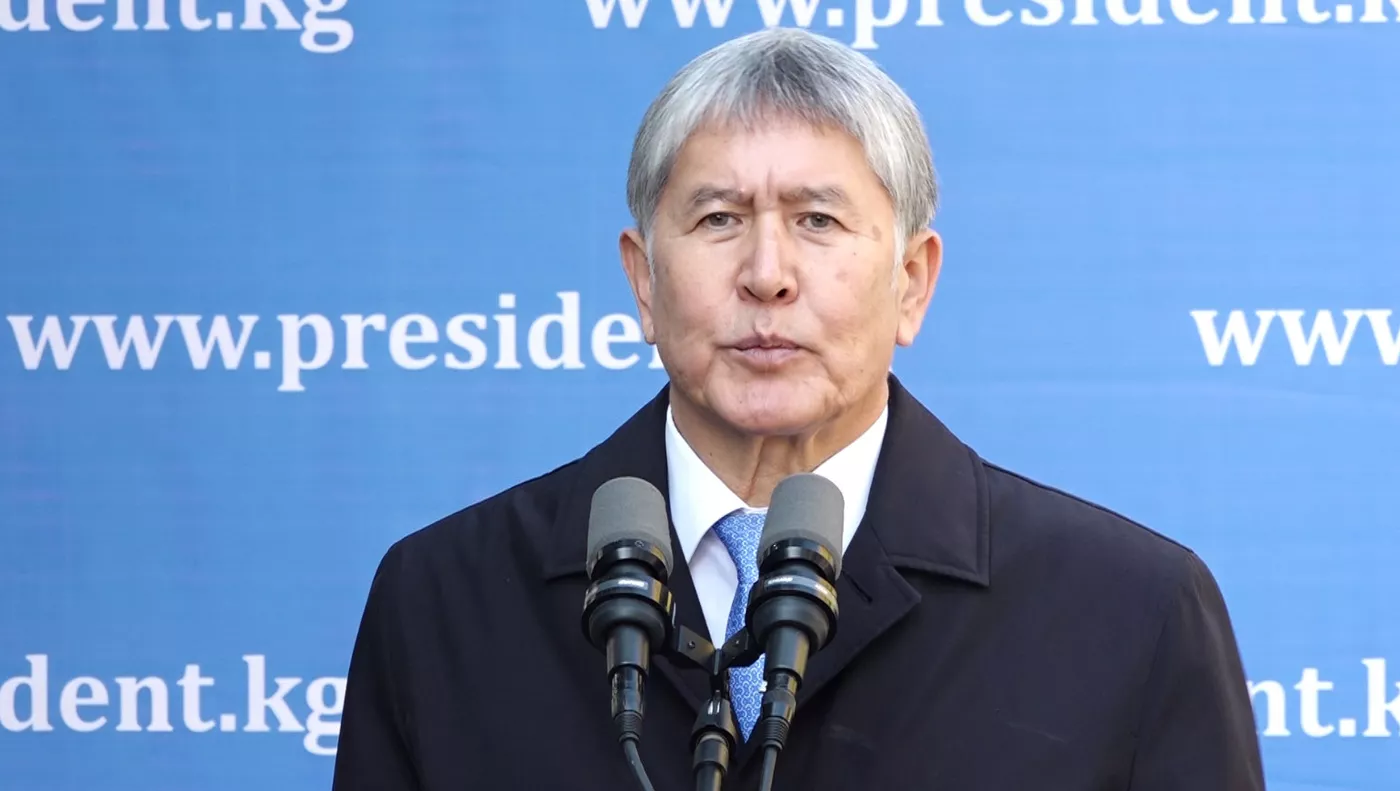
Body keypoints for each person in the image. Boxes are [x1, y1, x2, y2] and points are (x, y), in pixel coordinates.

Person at [331, 26, 1266, 791]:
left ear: (911, 282)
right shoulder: (446, 602)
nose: (767, 274)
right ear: (644, 282)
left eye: (818, 219)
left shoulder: (1128, 613)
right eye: (719, 219)